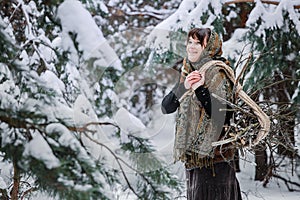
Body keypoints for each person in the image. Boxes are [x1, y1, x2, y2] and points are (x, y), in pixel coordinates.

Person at [161, 28, 242, 200]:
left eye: (198, 43)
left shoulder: (218, 72)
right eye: (190, 42)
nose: (192, 47)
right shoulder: (188, 71)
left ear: (210, 47)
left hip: (215, 162)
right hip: (194, 160)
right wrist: (185, 87)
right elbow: (166, 107)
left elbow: (224, 116)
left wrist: (200, 89)